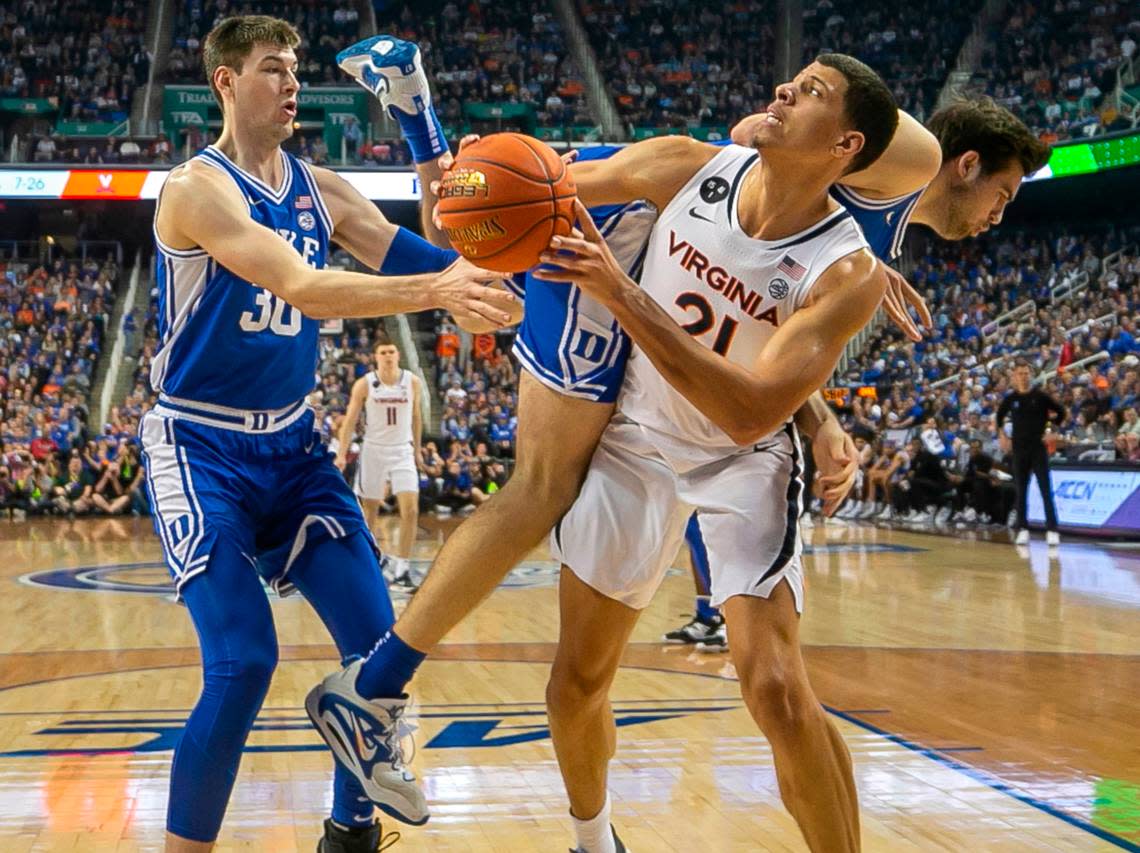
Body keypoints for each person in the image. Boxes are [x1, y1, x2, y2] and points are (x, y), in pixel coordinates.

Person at [312, 49, 905, 851]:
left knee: (774, 688)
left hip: (745, 459)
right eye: (791, 81)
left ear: (845, 148)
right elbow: (476, 206)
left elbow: (747, 410)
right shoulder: (683, 164)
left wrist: (620, 292)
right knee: (575, 684)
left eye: (811, 94)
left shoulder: (849, 272)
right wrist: (459, 179)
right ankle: (596, 843)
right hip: (637, 438)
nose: (783, 91)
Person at [142, 15, 514, 853]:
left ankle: (349, 833)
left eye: (296, 69)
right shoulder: (195, 189)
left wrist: (430, 143)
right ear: (227, 83)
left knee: (378, 649)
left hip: (294, 447)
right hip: (200, 447)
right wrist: (441, 293)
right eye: (272, 69)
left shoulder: (322, 187)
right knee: (243, 663)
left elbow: (432, 255)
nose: (292, 83)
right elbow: (307, 287)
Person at [335, 335, 423, 588]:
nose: (387, 355)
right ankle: (372, 563)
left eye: (391, 351)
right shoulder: (365, 384)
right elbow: (350, 420)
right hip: (373, 450)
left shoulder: (412, 381)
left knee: (412, 510)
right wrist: (341, 453)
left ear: (398, 355)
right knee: (369, 510)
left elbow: (416, 417)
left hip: (402, 450)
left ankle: (403, 567)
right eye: (383, 352)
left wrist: (417, 450)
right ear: (375, 356)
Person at [997, 361, 1066, 545]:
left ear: (1031, 374)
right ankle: (1023, 528)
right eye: (1020, 373)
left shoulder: (1041, 396)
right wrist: (1002, 435)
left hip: (1038, 448)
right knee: (1021, 490)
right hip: (1019, 449)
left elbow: (1061, 413)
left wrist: (1052, 431)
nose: (1023, 376)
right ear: (1015, 376)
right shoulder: (1011, 399)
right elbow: (999, 417)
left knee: (1045, 489)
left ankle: (1052, 529)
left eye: (1026, 373)